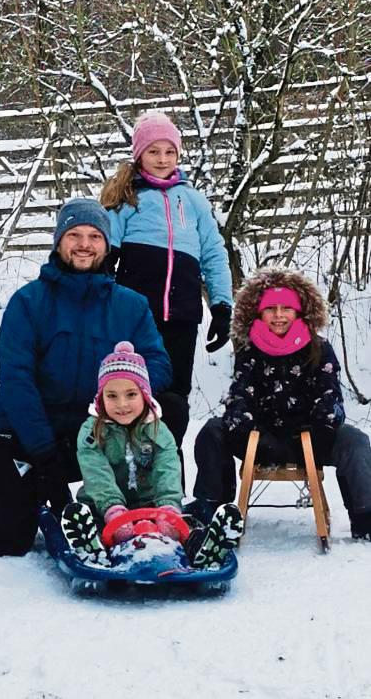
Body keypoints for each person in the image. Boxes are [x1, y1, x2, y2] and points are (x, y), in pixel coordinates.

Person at [0, 197, 190, 557]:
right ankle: (44, 499)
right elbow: (16, 381)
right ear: (59, 242)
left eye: (94, 236)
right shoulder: (28, 302)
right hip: (34, 430)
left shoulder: (131, 305)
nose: (84, 244)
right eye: (74, 234)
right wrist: (43, 455)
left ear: (107, 244)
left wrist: (121, 387)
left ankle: (148, 502)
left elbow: (159, 365)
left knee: (173, 407)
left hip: (107, 429)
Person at [185, 267, 371, 541]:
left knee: (354, 440)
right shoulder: (249, 350)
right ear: (259, 313)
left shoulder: (319, 348)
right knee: (212, 431)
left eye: (287, 308)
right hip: (259, 438)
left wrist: (320, 428)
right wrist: (244, 427)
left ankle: (364, 514)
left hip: (311, 437)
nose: (279, 315)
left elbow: (330, 395)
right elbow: (240, 395)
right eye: (271, 309)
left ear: (299, 312)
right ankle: (212, 508)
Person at [100, 111, 233, 459]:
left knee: (174, 397)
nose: (162, 159)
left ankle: (167, 466)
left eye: (169, 152)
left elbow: (214, 255)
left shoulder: (193, 201)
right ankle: (124, 465)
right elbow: (104, 254)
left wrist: (221, 306)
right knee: (132, 391)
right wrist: (100, 299)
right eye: (154, 151)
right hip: (136, 317)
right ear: (139, 154)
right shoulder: (128, 199)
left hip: (182, 317)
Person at [62, 340, 244, 570]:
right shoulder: (92, 431)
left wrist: (168, 508)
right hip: (103, 508)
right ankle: (94, 550)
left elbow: (167, 468)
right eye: (112, 396)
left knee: (187, 525)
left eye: (130, 394)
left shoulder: (158, 429)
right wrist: (113, 510)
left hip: (152, 508)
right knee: (94, 523)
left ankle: (202, 549)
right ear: (101, 398)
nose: (122, 404)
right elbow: (96, 473)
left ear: (144, 395)